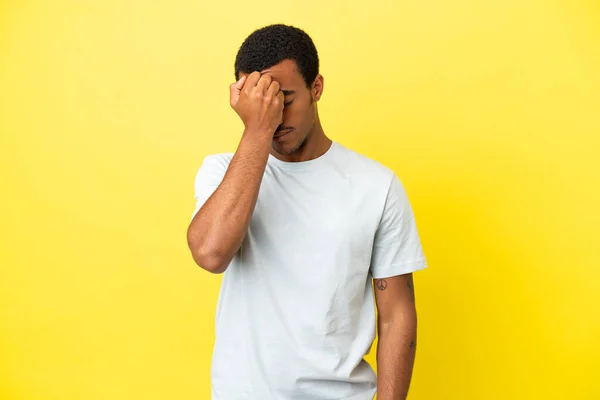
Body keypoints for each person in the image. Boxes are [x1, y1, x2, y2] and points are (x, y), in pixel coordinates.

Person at [186, 23, 428, 400]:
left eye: (284, 98)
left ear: (316, 87)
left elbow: (397, 315)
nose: (276, 117)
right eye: (261, 103)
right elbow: (211, 253)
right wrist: (256, 131)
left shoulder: (376, 186)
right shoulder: (222, 172)